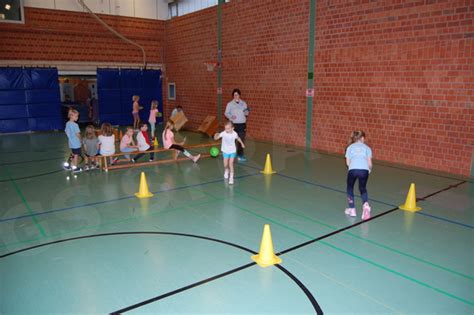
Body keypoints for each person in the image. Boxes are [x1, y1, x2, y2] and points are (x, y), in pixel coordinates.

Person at [345, 130, 373, 220]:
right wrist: (369, 170)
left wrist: (353, 168)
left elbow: (348, 162)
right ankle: (365, 205)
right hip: (364, 170)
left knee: (350, 187)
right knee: (362, 188)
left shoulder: (350, 147)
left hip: (353, 169)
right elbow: (369, 163)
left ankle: (352, 209)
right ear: (362, 138)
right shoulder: (367, 148)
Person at [225, 89, 249, 162]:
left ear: (239, 95)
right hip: (234, 124)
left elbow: (246, 113)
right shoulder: (230, 104)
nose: (236, 96)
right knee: (232, 140)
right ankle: (229, 153)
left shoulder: (244, 103)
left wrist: (246, 112)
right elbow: (226, 113)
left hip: (242, 124)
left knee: (241, 140)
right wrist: (231, 116)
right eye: (234, 95)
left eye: (237, 94)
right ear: (233, 95)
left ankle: (240, 155)